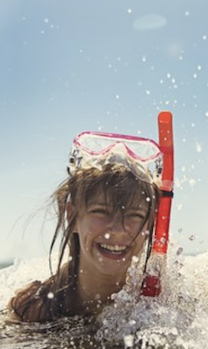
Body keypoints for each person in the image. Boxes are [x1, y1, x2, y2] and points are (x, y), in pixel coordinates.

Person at [9, 131, 162, 323]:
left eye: (134, 215)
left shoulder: (164, 303)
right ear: (72, 215)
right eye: (101, 211)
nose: (117, 230)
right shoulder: (33, 309)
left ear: (149, 224)